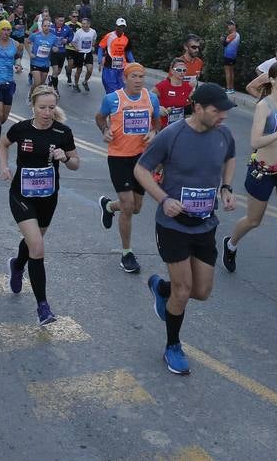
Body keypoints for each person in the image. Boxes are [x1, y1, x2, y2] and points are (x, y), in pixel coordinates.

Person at [136, 82, 237, 375]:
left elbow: (230, 156)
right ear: (198, 108)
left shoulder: (223, 134)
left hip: (205, 222)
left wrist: (227, 187)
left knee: (201, 291)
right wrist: (163, 199)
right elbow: (141, 169)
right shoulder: (172, 135)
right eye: (217, 111)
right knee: (183, 290)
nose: (223, 116)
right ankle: (172, 346)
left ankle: (160, 287)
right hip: (172, 224)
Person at [223, 61, 277, 299]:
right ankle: (230, 244)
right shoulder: (264, 106)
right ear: (272, 81)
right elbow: (256, 142)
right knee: (253, 220)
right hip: (263, 170)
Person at [0, 85, 80, 327]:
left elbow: (76, 163)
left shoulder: (62, 132)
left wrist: (65, 158)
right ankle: (43, 307)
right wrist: (4, 166)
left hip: (47, 196)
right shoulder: (20, 128)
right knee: (37, 246)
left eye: (51, 108)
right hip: (21, 194)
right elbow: (3, 144)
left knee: (34, 243)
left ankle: (17, 264)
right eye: (42, 107)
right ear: (32, 106)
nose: (47, 112)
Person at [97, 63, 161, 274]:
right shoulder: (113, 99)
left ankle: (108, 207)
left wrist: (153, 132)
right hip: (119, 157)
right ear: (125, 78)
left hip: (142, 159)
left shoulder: (151, 98)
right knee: (128, 205)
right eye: (134, 76)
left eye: (142, 76)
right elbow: (99, 117)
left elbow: (156, 123)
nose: (139, 80)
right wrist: (105, 129)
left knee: (136, 207)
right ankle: (127, 253)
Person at [97, 17, 134, 94]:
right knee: (111, 89)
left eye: (123, 27)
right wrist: (100, 60)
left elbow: (128, 52)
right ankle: (112, 103)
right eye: (120, 27)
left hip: (121, 67)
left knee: (121, 90)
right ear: (116, 26)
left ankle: (119, 104)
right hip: (109, 66)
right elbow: (100, 47)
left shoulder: (126, 38)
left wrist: (133, 63)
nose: (121, 29)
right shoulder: (109, 36)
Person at [153, 58, 193, 128]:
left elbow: (193, 104)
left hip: (178, 127)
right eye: (179, 70)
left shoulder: (187, 87)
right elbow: (148, 99)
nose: (182, 72)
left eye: (184, 70)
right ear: (172, 71)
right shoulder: (162, 86)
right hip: (163, 127)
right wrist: (158, 108)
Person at [27, 18, 61, 90]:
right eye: (45, 26)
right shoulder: (35, 35)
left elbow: (56, 47)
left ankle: (36, 97)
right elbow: (26, 42)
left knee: (41, 85)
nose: (47, 28)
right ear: (42, 26)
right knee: (37, 83)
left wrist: (55, 49)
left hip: (45, 63)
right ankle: (30, 95)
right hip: (35, 62)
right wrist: (30, 53)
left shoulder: (53, 37)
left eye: (48, 26)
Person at [68, 17, 98, 92]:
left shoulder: (93, 31)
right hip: (80, 53)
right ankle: (76, 84)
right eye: (82, 24)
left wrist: (93, 46)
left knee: (90, 70)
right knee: (79, 70)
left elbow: (94, 39)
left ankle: (85, 82)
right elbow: (72, 41)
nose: (83, 25)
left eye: (85, 24)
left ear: (89, 24)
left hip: (88, 53)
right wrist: (76, 48)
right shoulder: (79, 32)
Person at [221, 20, 240, 94]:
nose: (228, 26)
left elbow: (225, 44)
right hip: (233, 56)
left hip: (228, 55)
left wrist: (222, 40)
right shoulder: (238, 34)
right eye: (228, 25)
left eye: (230, 25)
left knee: (227, 72)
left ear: (234, 26)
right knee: (231, 72)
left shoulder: (232, 35)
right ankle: (231, 88)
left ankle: (228, 88)